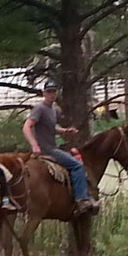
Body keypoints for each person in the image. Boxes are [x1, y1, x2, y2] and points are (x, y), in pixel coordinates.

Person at [22, 81, 96, 215]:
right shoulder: (40, 108)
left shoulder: (53, 110)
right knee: (77, 166)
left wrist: (65, 131)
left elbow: (52, 128)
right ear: (44, 93)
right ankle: (82, 199)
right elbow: (27, 126)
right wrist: (34, 145)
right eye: (49, 92)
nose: (52, 94)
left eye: (54, 91)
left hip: (51, 147)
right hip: (47, 149)